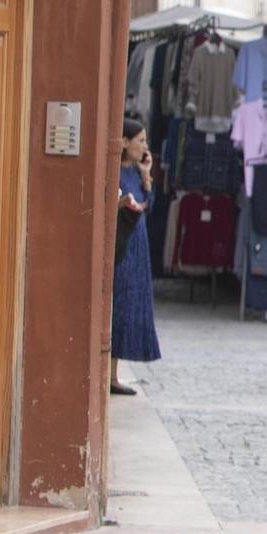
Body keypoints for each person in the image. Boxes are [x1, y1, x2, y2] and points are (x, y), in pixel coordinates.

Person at [110, 118, 161, 395]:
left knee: (130, 304)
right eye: (140, 140)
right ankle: (109, 374)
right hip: (123, 246)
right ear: (125, 142)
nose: (144, 146)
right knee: (118, 305)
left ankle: (114, 373)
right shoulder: (115, 172)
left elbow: (148, 206)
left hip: (138, 247)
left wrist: (146, 175)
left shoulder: (136, 172)